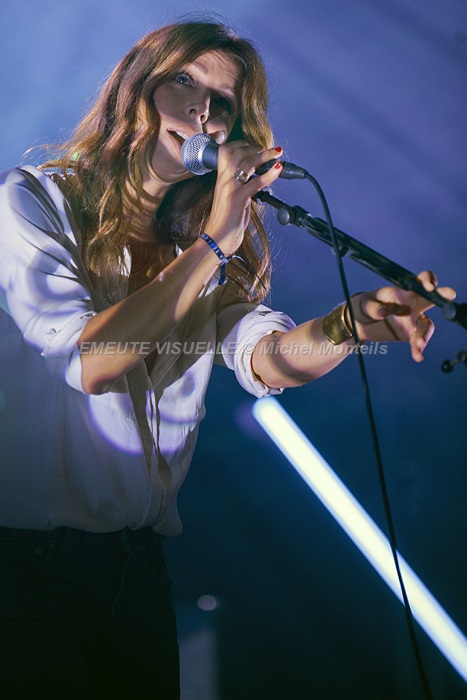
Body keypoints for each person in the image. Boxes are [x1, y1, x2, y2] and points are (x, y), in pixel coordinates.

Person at [0, 19, 455, 700]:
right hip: (27, 571)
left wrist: (350, 323)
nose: (200, 109)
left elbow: (267, 359)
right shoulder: (34, 200)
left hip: (138, 569)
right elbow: (92, 362)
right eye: (184, 81)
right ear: (135, 86)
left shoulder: (195, 247)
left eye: (221, 100)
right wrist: (215, 241)